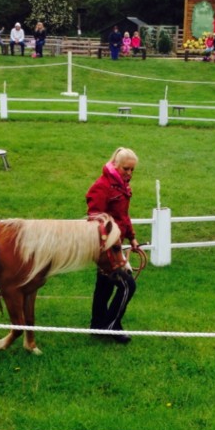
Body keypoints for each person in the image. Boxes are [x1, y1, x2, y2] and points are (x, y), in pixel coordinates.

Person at [86, 147, 140, 344]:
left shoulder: (120, 186)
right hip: (107, 249)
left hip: (116, 245)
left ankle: (97, 325)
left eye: (132, 170)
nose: (129, 174)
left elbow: (123, 216)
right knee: (128, 286)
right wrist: (107, 241)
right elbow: (94, 217)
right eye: (126, 169)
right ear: (116, 165)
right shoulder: (102, 186)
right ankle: (112, 326)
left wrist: (132, 237)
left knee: (104, 287)